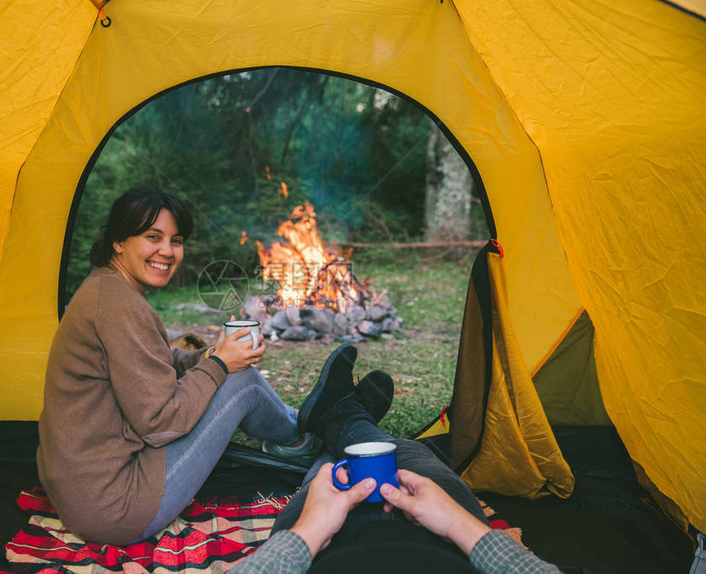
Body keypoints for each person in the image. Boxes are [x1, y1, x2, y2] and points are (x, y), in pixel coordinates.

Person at [36, 184, 320, 545]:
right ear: (119, 241)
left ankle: (307, 422)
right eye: (153, 237)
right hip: (115, 505)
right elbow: (160, 422)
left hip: (86, 490)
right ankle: (303, 437)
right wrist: (219, 364)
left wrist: (205, 357)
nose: (167, 251)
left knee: (232, 374)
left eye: (177, 240)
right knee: (241, 382)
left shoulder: (107, 290)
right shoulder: (116, 305)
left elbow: (154, 362)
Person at [231, 346, 563, 574]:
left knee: (336, 472)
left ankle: (341, 420)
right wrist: (458, 525)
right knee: (405, 451)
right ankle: (344, 421)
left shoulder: (313, 533)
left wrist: (308, 533)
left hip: (320, 546)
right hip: (444, 539)